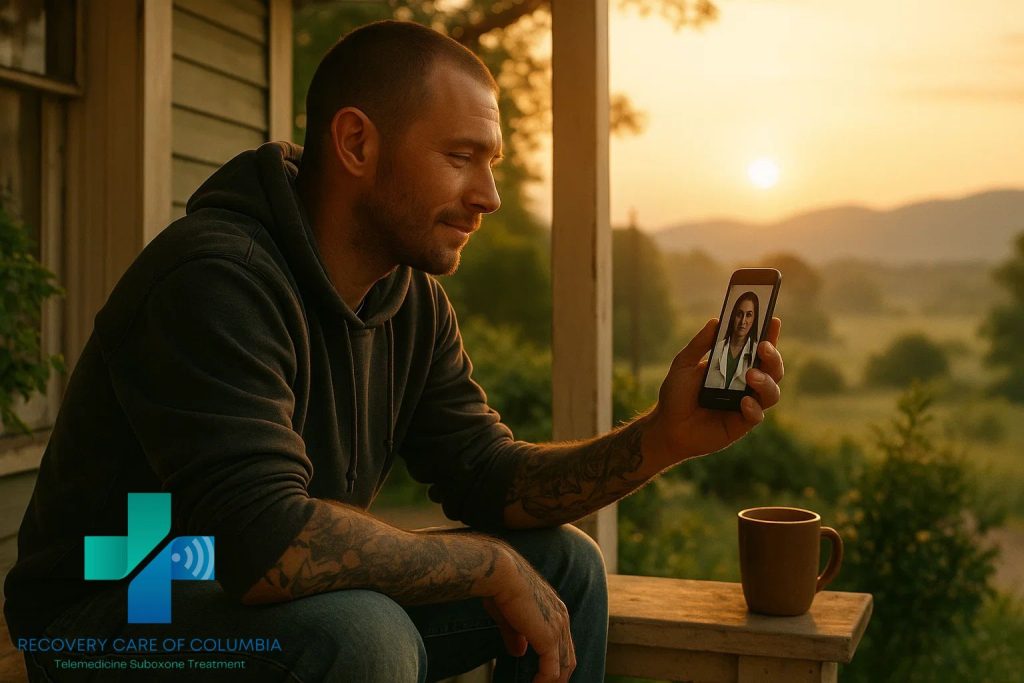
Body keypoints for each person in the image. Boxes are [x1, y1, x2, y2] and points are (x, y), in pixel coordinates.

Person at [3, 20, 784, 683]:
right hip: (114, 601)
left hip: (228, 587)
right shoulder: (214, 277)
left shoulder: (408, 301)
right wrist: (488, 566)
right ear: (355, 143)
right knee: (362, 632)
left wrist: (660, 437)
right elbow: (263, 541)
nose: (489, 195)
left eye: (493, 162)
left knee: (563, 563)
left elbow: (491, 477)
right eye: (461, 156)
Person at [706, 291, 760, 391]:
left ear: (754, 319)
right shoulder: (717, 348)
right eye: (739, 314)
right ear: (733, 316)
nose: (743, 321)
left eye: (748, 315)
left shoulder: (757, 353)